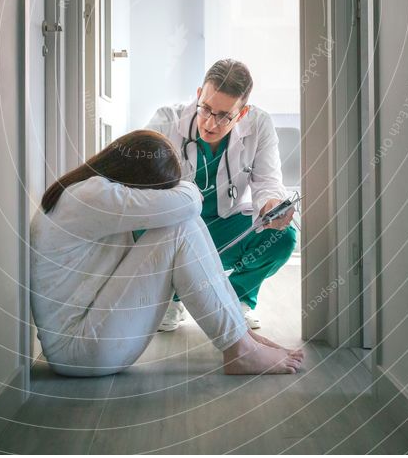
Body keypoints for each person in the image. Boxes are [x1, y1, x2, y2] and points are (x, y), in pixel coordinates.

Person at [30, 130, 304, 377]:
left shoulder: (86, 190)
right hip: (79, 351)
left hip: (85, 341)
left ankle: (240, 338)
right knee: (180, 226)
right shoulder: (93, 196)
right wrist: (183, 184)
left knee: (182, 224)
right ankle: (240, 347)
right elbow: (188, 203)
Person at [145, 59, 298, 332]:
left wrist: (272, 205)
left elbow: (268, 182)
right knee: (138, 226)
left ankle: (237, 300)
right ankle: (172, 298)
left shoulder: (259, 125)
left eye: (224, 115)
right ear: (198, 95)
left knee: (282, 237)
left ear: (242, 113)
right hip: (176, 231)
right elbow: (140, 184)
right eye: (205, 108)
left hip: (225, 229)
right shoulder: (167, 120)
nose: (210, 122)